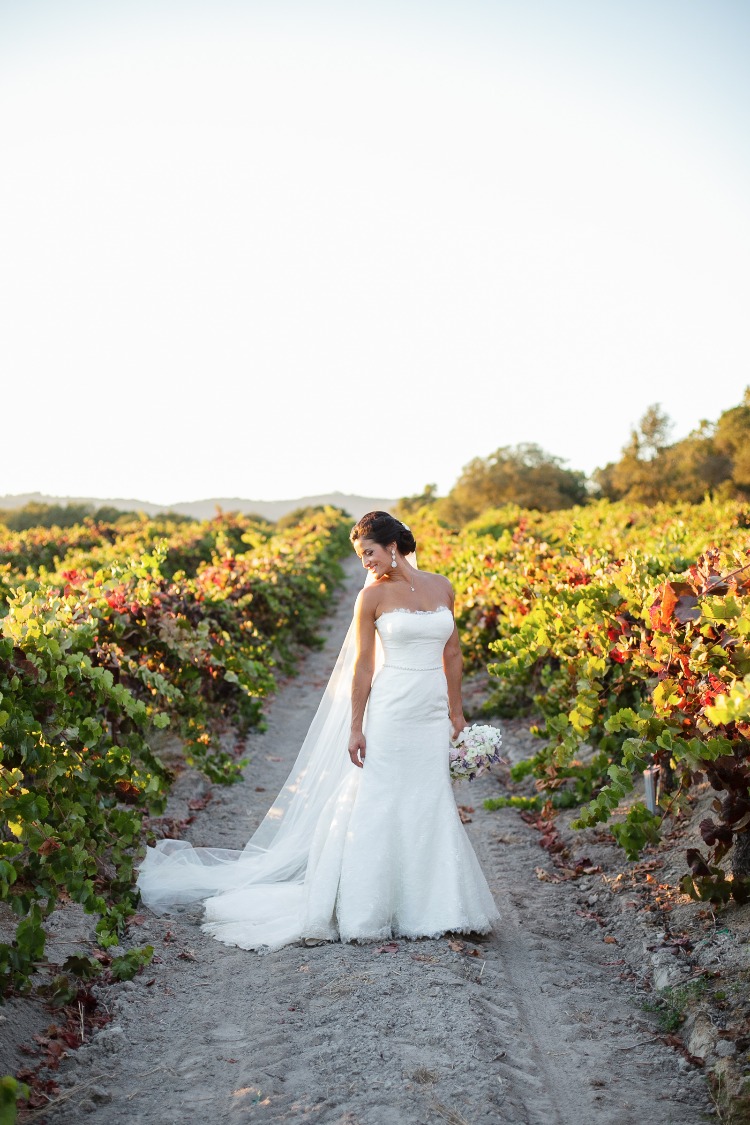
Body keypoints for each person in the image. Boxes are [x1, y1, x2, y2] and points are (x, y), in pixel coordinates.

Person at [136, 512, 499, 949]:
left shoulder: (443, 586)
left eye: (369, 552)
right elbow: (363, 667)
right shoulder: (371, 599)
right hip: (391, 707)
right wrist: (356, 727)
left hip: (430, 708)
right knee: (380, 798)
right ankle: (368, 909)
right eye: (360, 555)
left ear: (393, 547)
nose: (365, 561)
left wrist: (456, 714)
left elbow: (454, 653)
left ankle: (440, 904)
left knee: (431, 796)